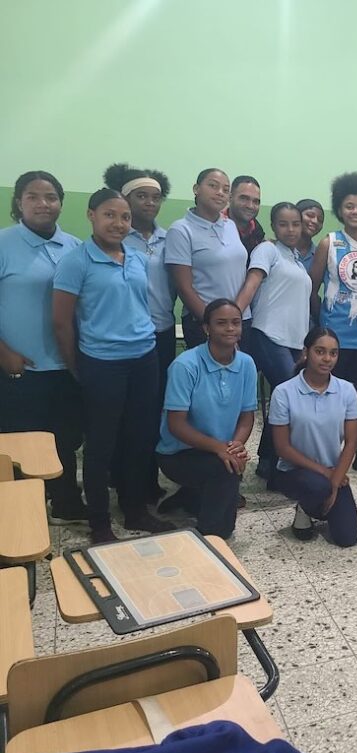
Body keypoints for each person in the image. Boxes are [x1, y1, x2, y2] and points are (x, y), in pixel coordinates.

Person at [51, 190, 168, 544]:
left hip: (144, 358)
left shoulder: (135, 258)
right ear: (91, 215)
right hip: (102, 364)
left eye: (125, 217)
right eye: (109, 215)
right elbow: (61, 321)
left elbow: (137, 305)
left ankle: (135, 511)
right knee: (101, 445)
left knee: (139, 438)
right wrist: (77, 367)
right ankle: (100, 522)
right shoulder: (76, 261)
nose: (118, 223)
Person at [0, 171, 86, 522]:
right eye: (33, 196)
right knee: (21, 444)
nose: (43, 204)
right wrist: (5, 354)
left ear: (61, 203)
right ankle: (23, 515)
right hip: (21, 367)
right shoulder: (4, 244)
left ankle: (65, 503)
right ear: (18, 202)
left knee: (65, 439)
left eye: (51, 196)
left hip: (66, 364)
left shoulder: (75, 246)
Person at [103, 163, 174, 504]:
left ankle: (146, 477)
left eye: (155, 197)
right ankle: (119, 478)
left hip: (160, 334)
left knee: (152, 411)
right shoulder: (117, 237)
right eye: (140, 196)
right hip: (125, 338)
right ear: (126, 199)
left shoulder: (168, 237)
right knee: (124, 413)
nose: (149, 203)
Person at [156, 299, 257, 538]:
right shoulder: (185, 365)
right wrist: (221, 449)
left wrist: (236, 445)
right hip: (178, 452)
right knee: (226, 472)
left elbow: (247, 416)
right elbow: (176, 425)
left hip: (219, 449)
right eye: (222, 323)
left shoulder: (246, 363)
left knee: (229, 465)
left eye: (236, 323)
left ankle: (192, 498)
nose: (231, 329)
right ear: (206, 328)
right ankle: (211, 536)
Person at [310, 172, 357, 477]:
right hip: (335, 336)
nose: (355, 212)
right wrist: (324, 322)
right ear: (340, 209)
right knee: (329, 395)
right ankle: (328, 451)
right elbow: (312, 287)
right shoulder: (329, 243)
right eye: (349, 206)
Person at [235, 202, 312, 480]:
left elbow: (299, 305)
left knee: (284, 399)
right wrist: (233, 320)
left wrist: (304, 343)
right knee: (290, 396)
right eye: (283, 224)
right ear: (274, 225)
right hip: (267, 335)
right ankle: (273, 463)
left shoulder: (296, 258)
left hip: (293, 343)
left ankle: (269, 461)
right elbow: (252, 283)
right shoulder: (267, 250)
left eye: (295, 224)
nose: (290, 230)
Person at [270, 328, 357, 545]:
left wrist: (336, 478)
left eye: (333, 353)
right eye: (320, 351)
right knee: (317, 486)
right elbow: (282, 448)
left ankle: (318, 504)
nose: (327, 359)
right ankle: (304, 507)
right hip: (295, 472)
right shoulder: (284, 392)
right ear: (306, 352)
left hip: (332, 471)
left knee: (347, 537)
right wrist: (327, 474)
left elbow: (351, 443)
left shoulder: (347, 390)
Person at [166, 168, 250, 349]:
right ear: (196, 188)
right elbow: (184, 288)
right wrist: (214, 325)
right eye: (213, 186)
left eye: (226, 189)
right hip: (202, 322)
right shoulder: (181, 230)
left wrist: (233, 322)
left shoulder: (230, 225)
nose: (220, 193)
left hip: (239, 321)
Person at [226, 175, 265, 255]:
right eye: (244, 198)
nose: (250, 206)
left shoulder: (258, 233)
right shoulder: (214, 227)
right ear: (230, 198)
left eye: (255, 201)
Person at [295, 199, 325, 273]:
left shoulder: (320, 255)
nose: (315, 221)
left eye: (320, 220)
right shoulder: (278, 248)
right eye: (310, 215)